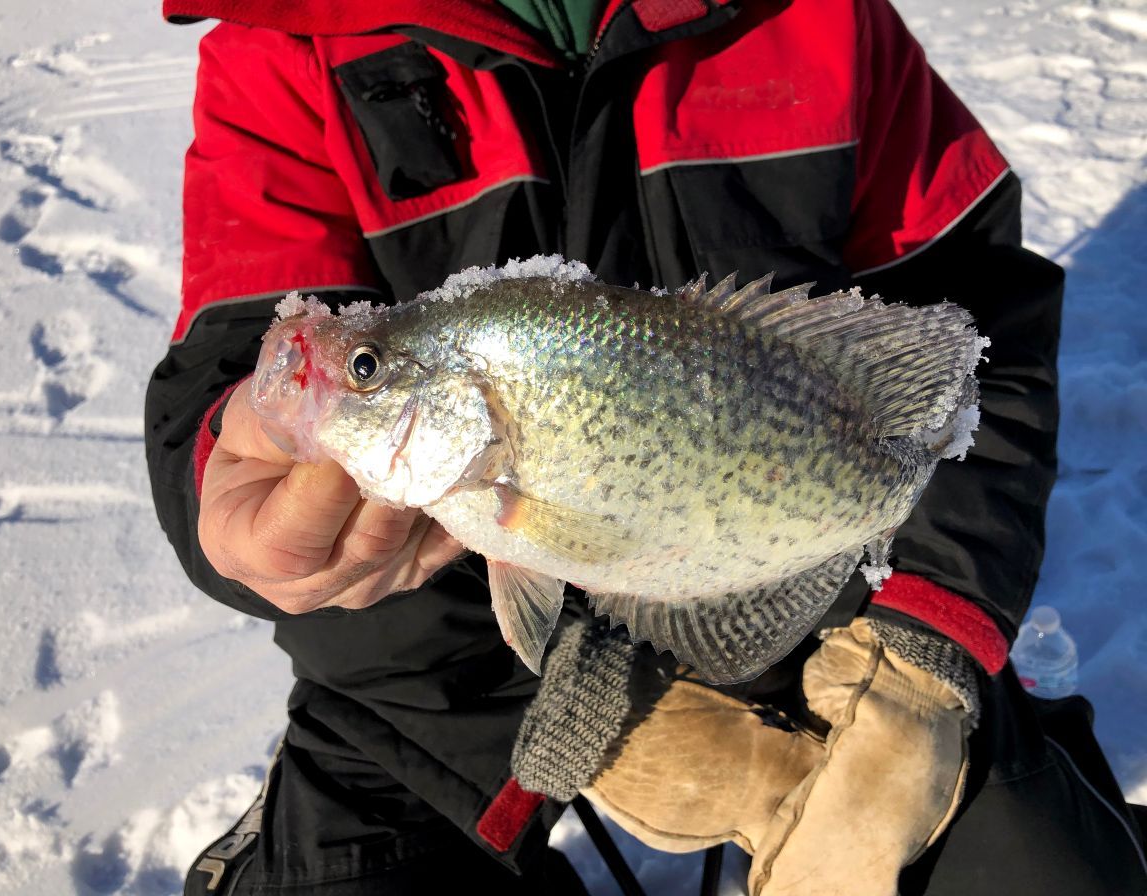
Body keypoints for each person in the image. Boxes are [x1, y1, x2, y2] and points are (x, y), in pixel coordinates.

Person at [145, 1, 1147, 893]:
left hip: (820, 628)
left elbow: (978, 346)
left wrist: (928, 637)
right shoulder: (288, 45)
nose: (338, 381)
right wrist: (235, 489)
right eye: (369, 370)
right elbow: (229, 382)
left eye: (367, 373)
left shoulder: (827, 18)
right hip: (432, 690)